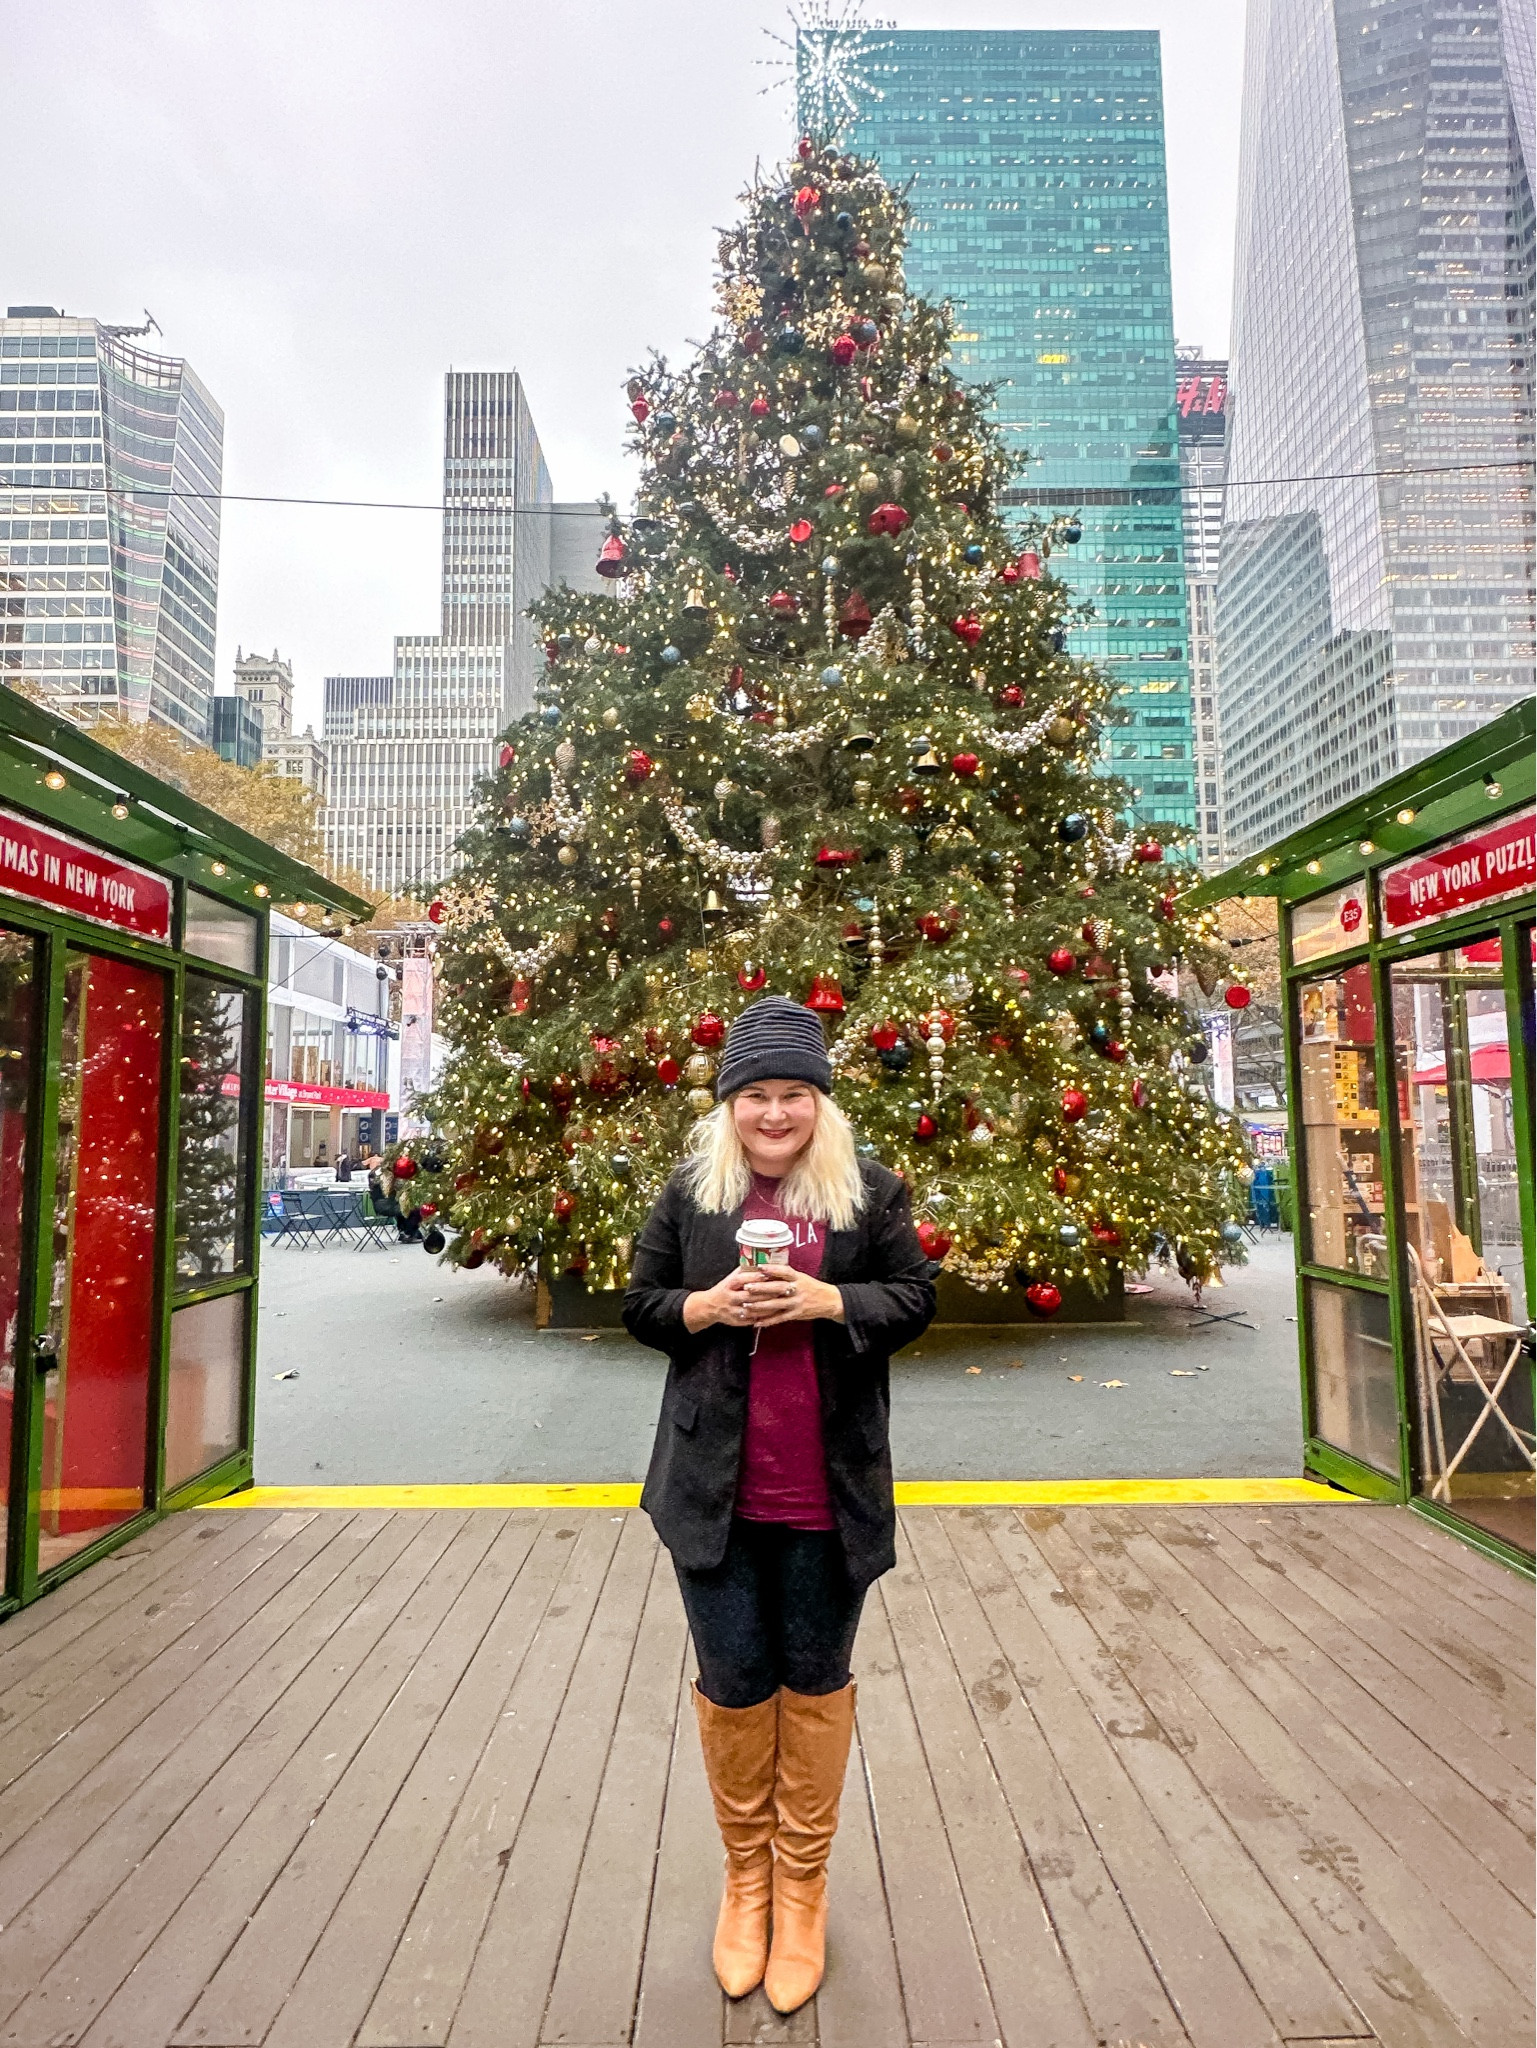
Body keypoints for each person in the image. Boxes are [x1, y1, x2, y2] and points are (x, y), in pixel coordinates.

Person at [624, 996, 935, 2014]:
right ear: (728, 1104)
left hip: (827, 1492)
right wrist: (705, 1307)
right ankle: (744, 1881)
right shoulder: (691, 1194)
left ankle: (800, 1886)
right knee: (733, 1681)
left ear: (819, 1101)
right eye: (753, 1093)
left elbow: (916, 1298)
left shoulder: (867, 1193)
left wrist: (829, 1299)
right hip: (711, 1491)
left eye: (792, 1092)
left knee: (813, 1679)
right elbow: (639, 1303)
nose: (772, 1110)